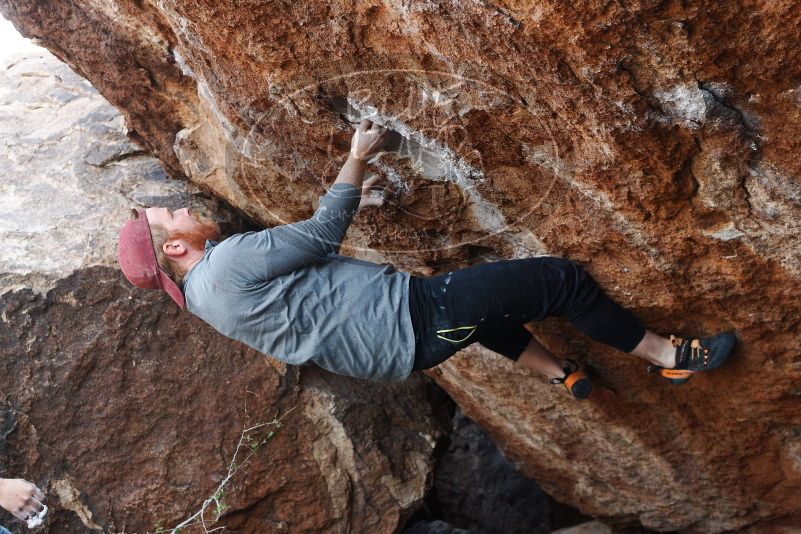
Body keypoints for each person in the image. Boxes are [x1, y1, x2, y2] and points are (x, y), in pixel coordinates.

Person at [117, 119, 735, 398]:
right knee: (559, 280)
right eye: (169, 216)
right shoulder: (225, 266)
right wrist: (359, 153)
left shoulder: (203, 297)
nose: (179, 207)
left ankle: (560, 374)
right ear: (175, 248)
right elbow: (326, 230)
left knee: (484, 310)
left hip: (398, 348)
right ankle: (670, 357)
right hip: (413, 320)